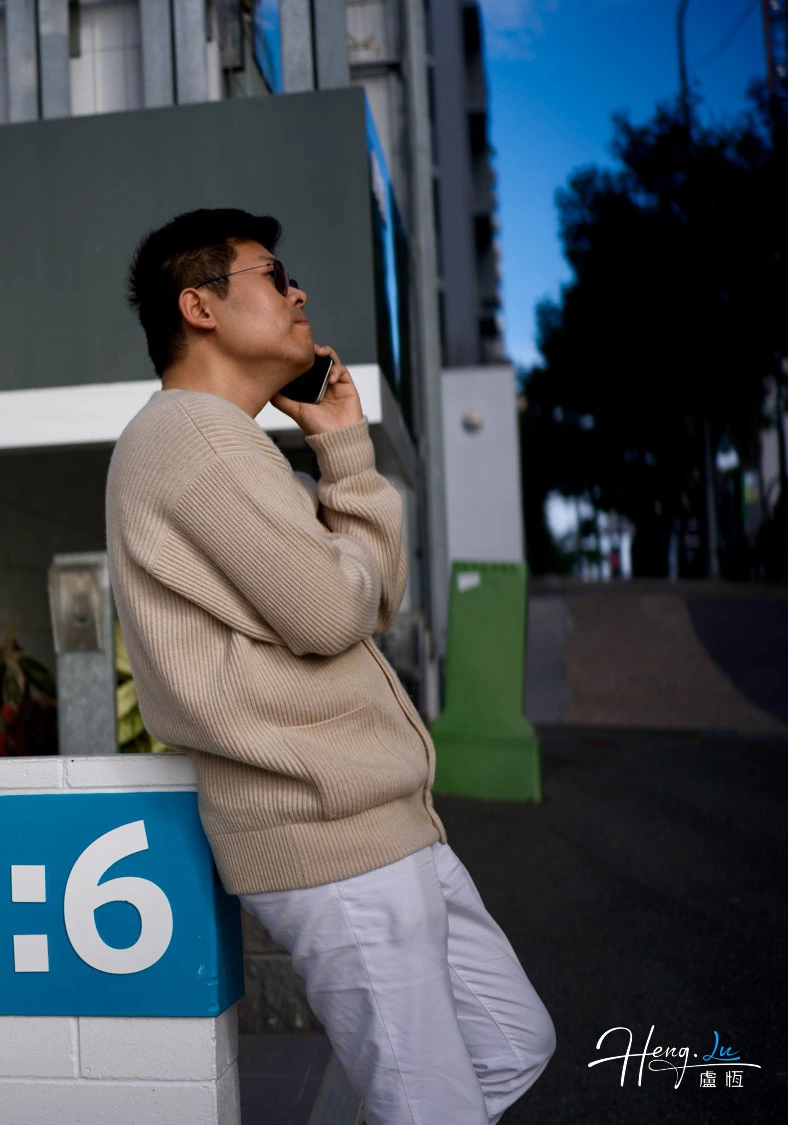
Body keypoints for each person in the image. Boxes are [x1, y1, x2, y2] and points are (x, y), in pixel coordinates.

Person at [104, 208, 555, 1124]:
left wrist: (342, 446)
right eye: (273, 273)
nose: (298, 290)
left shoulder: (238, 447)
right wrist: (342, 561)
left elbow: (367, 600)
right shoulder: (189, 436)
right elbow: (330, 608)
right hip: (325, 837)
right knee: (434, 1105)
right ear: (199, 306)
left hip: (384, 823)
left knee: (513, 1042)